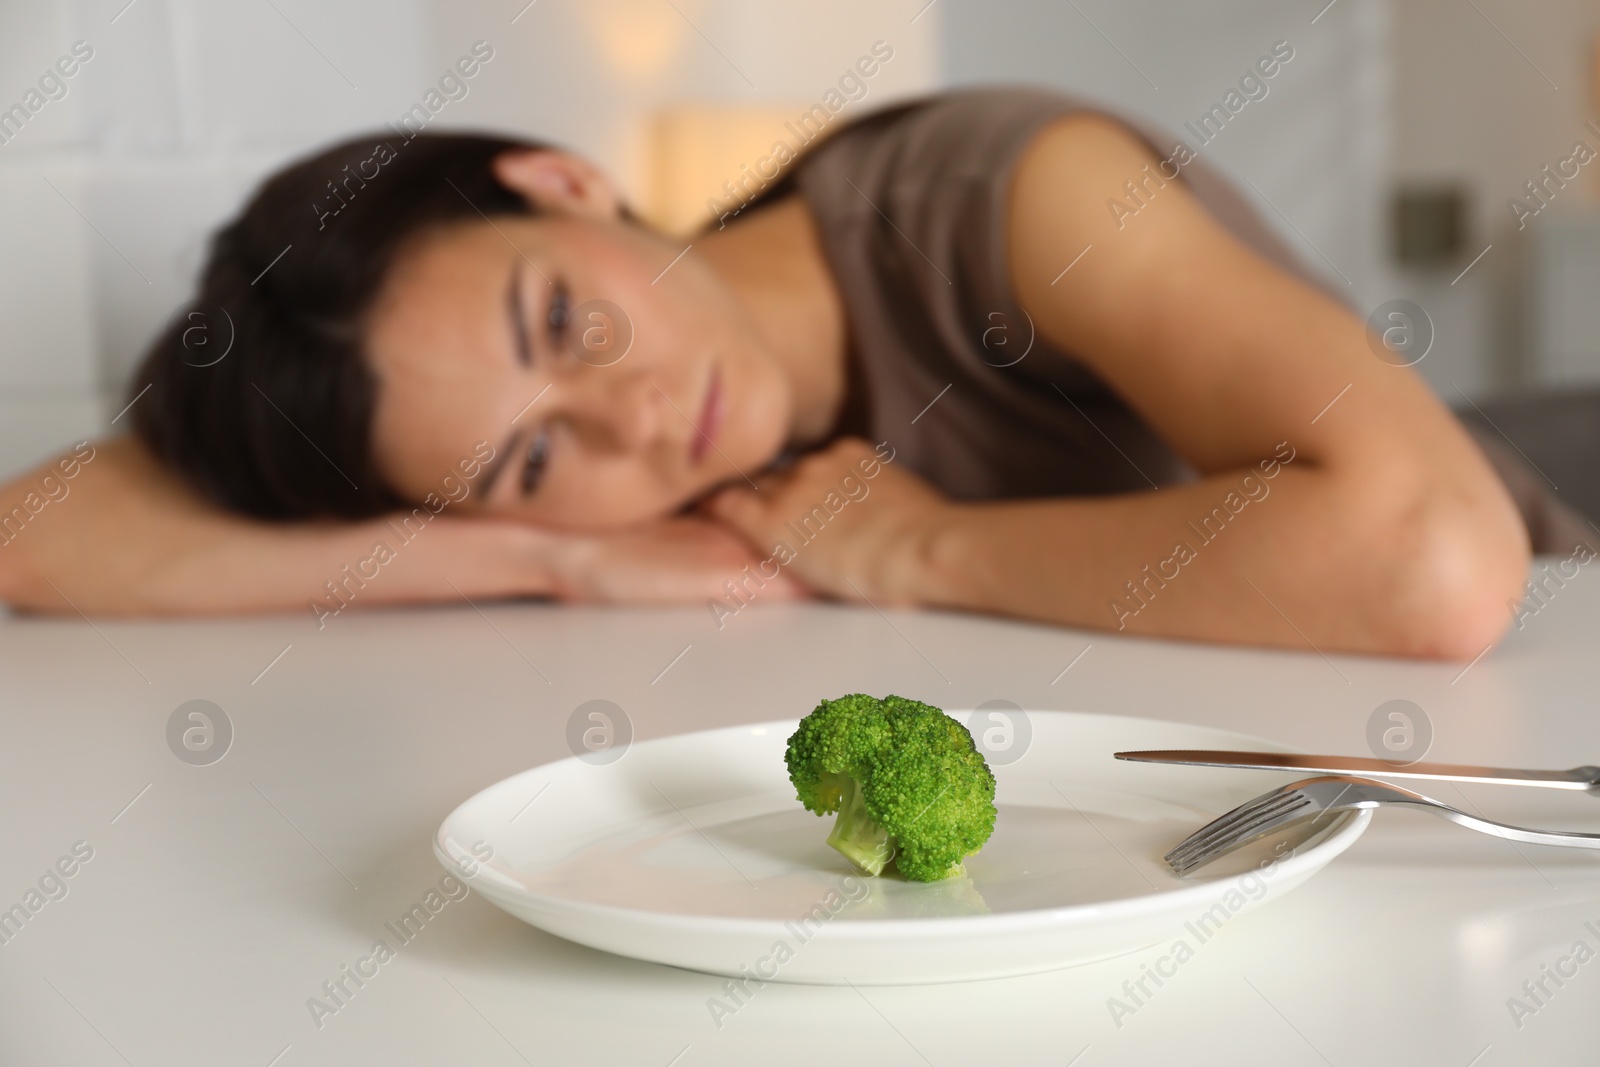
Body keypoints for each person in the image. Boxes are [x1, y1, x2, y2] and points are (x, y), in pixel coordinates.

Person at [0, 86, 1561, 659]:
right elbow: (41, 532)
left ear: (561, 182)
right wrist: (549, 555)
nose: (626, 422)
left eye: (560, 327)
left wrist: (913, 544)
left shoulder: (1012, 196)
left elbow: (1431, 566)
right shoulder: (632, 498)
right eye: (536, 452)